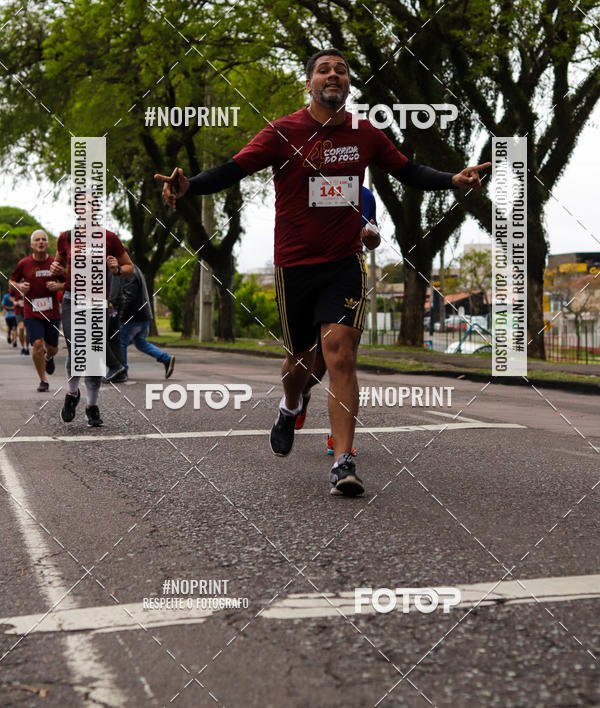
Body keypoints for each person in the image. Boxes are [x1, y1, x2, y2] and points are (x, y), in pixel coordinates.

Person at [155, 48, 490, 497]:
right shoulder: (283, 132)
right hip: (294, 265)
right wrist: (188, 186)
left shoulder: (365, 133)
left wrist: (452, 179)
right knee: (299, 364)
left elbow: (408, 170)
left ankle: (343, 462)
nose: (334, 75)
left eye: (341, 70)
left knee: (340, 354)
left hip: (343, 263)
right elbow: (232, 169)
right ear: (309, 82)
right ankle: (291, 405)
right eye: (324, 70)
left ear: (348, 84)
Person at [295, 185, 380, 455]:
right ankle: (300, 393)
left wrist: (371, 237)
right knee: (318, 367)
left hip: (348, 280)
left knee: (344, 359)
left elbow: (373, 239)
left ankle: (339, 438)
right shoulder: (308, 185)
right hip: (311, 278)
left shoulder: (365, 195)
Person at [51, 206, 133, 427]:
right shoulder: (66, 237)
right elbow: (58, 267)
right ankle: (72, 393)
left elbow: (129, 267)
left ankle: (91, 405)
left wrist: (116, 269)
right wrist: (56, 270)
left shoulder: (109, 238)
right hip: (72, 299)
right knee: (77, 346)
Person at [10, 230, 63, 392]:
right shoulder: (24, 264)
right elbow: (11, 281)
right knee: (38, 344)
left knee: (52, 348)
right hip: (32, 312)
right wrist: (20, 286)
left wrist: (58, 286)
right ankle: (43, 380)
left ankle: (49, 357)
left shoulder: (54, 264)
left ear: (47, 244)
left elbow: (68, 283)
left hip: (52, 312)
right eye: (37, 240)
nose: (40, 242)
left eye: (43, 239)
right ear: (32, 245)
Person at [113, 262, 175, 382]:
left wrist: (122, 317)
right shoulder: (136, 269)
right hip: (143, 316)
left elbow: (129, 296)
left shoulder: (128, 272)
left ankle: (122, 371)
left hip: (132, 317)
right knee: (140, 342)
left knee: (121, 342)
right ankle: (166, 358)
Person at [11, 284, 30, 355]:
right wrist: (14, 302)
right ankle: (23, 347)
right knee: (21, 328)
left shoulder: (28, 282)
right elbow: (11, 295)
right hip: (18, 310)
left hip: (28, 310)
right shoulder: (15, 283)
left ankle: (27, 347)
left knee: (27, 332)